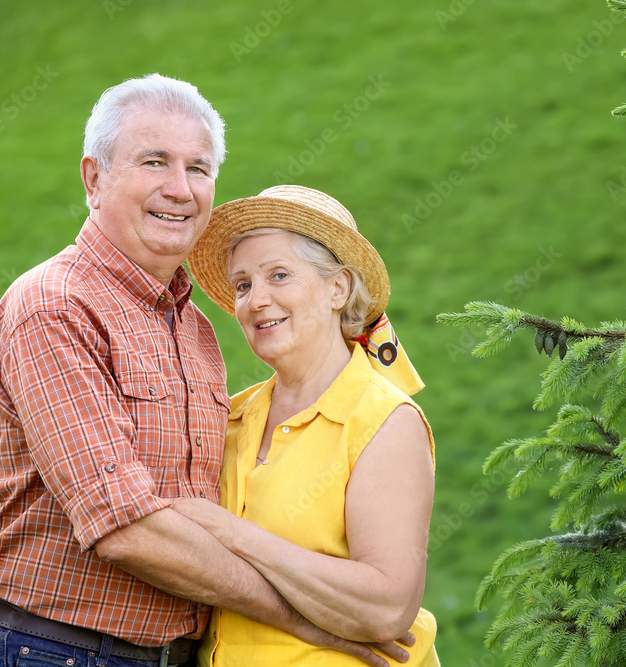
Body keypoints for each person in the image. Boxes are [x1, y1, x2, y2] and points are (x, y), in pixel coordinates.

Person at [0, 74, 407, 667]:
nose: (180, 188)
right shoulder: (56, 306)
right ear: (94, 178)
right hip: (54, 650)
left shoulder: (193, 329)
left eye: (198, 168)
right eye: (154, 162)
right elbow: (124, 529)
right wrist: (308, 621)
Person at [181, 184, 440, 665]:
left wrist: (230, 533)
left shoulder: (384, 420)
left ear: (338, 288)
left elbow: (386, 608)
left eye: (279, 275)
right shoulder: (229, 417)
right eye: (243, 285)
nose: (257, 299)